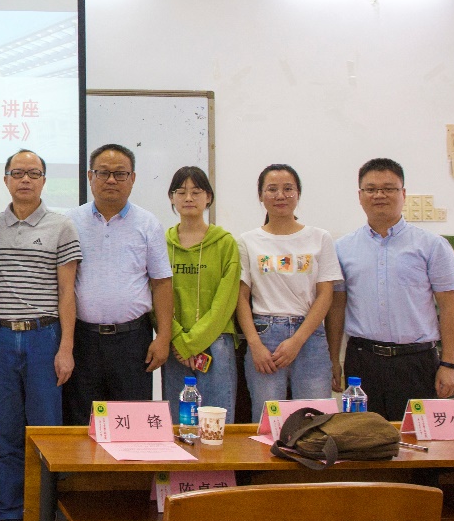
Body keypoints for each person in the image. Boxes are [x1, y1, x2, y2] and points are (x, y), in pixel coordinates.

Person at [0, 150, 80, 521]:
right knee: (4, 433)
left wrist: (66, 347)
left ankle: (45, 517)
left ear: (44, 180)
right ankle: (10, 516)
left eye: (34, 173)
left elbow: (67, 292)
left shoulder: (62, 225)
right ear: (6, 179)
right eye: (18, 173)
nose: (25, 179)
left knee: (47, 433)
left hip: (44, 338)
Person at [325, 158, 454, 420]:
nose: (379, 195)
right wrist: (333, 360)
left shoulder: (432, 246)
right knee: (363, 437)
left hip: (416, 361)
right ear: (360, 196)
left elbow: (450, 306)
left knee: (417, 437)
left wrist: (449, 363)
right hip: (362, 362)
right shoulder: (342, 248)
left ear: (403, 193)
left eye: (388, 188)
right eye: (371, 189)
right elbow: (336, 309)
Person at [65, 144, 173, 425]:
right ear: (90, 177)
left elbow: (162, 283)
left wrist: (163, 337)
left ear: (132, 178)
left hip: (132, 341)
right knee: (82, 422)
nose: (111, 180)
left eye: (120, 173)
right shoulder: (70, 222)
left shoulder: (148, 223)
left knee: (132, 423)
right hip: (83, 340)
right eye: (103, 173)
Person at [236, 164, 341, 422]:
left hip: (310, 336)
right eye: (272, 189)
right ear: (261, 196)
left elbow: (326, 295)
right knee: (268, 421)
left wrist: (297, 340)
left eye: (288, 189)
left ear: (298, 194)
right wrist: (255, 344)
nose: (280, 195)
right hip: (264, 337)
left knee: (317, 421)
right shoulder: (247, 241)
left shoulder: (320, 237)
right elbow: (241, 298)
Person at [162, 167, 240, 424]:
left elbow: (225, 300)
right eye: (181, 192)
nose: (188, 198)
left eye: (196, 192)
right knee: (179, 425)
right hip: (174, 344)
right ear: (171, 197)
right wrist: (177, 339)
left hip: (216, 343)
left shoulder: (225, 243)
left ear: (208, 197)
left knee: (215, 424)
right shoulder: (162, 243)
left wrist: (191, 343)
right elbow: (155, 296)